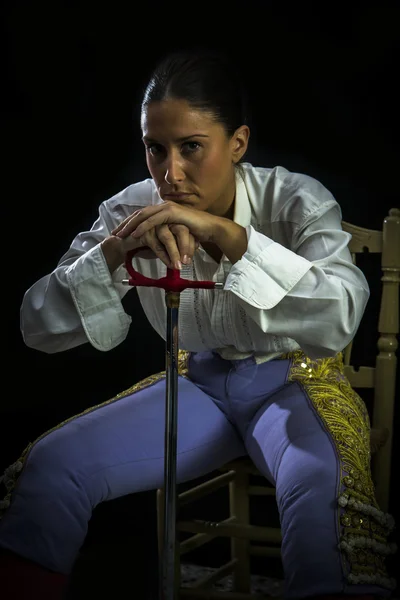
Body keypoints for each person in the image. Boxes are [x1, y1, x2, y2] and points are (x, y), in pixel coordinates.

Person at [0, 48, 396, 600]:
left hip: (296, 387)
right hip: (197, 384)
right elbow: (36, 326)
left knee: (325, 505)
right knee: (49, 469)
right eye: (155, 149)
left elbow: (341, 312)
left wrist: (228, 237)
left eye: (191, 148)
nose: (170, 172)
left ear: (237, 142)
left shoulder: (295, 200)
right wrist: (116, 252)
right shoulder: (132, 210)